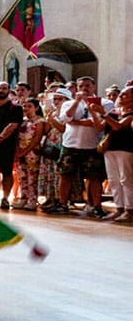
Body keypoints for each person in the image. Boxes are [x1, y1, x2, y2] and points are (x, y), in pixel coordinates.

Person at [48, 76, 112, 218]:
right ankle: (63, 204)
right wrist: (77, 102)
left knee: (94, 177)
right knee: (65, 175)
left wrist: (79, 120)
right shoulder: (68, 103)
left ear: (94, 87)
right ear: (77, 88)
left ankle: (96, 206)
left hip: (92, 145)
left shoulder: (105, 103)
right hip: (70, 144)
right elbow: (66, 118)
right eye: (81, 86)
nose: (84, 89)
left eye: (87, 85)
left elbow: (98, 124)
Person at [88, 85, 133, 222]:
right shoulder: (114, 111)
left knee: (126, 179)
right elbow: (99, 127)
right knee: (114, 179)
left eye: (125, 94)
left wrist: (103, 113)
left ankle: (129, 209)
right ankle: (119, 208)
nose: (121, 96)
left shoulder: (131, 114)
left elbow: (118, 126)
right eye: (121, 94)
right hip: (110, 148)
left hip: (125, 148)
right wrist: (94, 113)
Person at [11, 97, 45, 210]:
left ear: (36, 108)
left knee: (32, 177)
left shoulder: (39, 121)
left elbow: (37, 138)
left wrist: (26, 151)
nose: (26, 108)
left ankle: (33, 199)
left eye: (29, 106)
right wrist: (17, 150)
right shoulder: (22, 121)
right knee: (22, 176)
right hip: (20, 151)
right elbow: (17, 137)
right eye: (24, 106)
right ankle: (23, 197)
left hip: (32, 152)